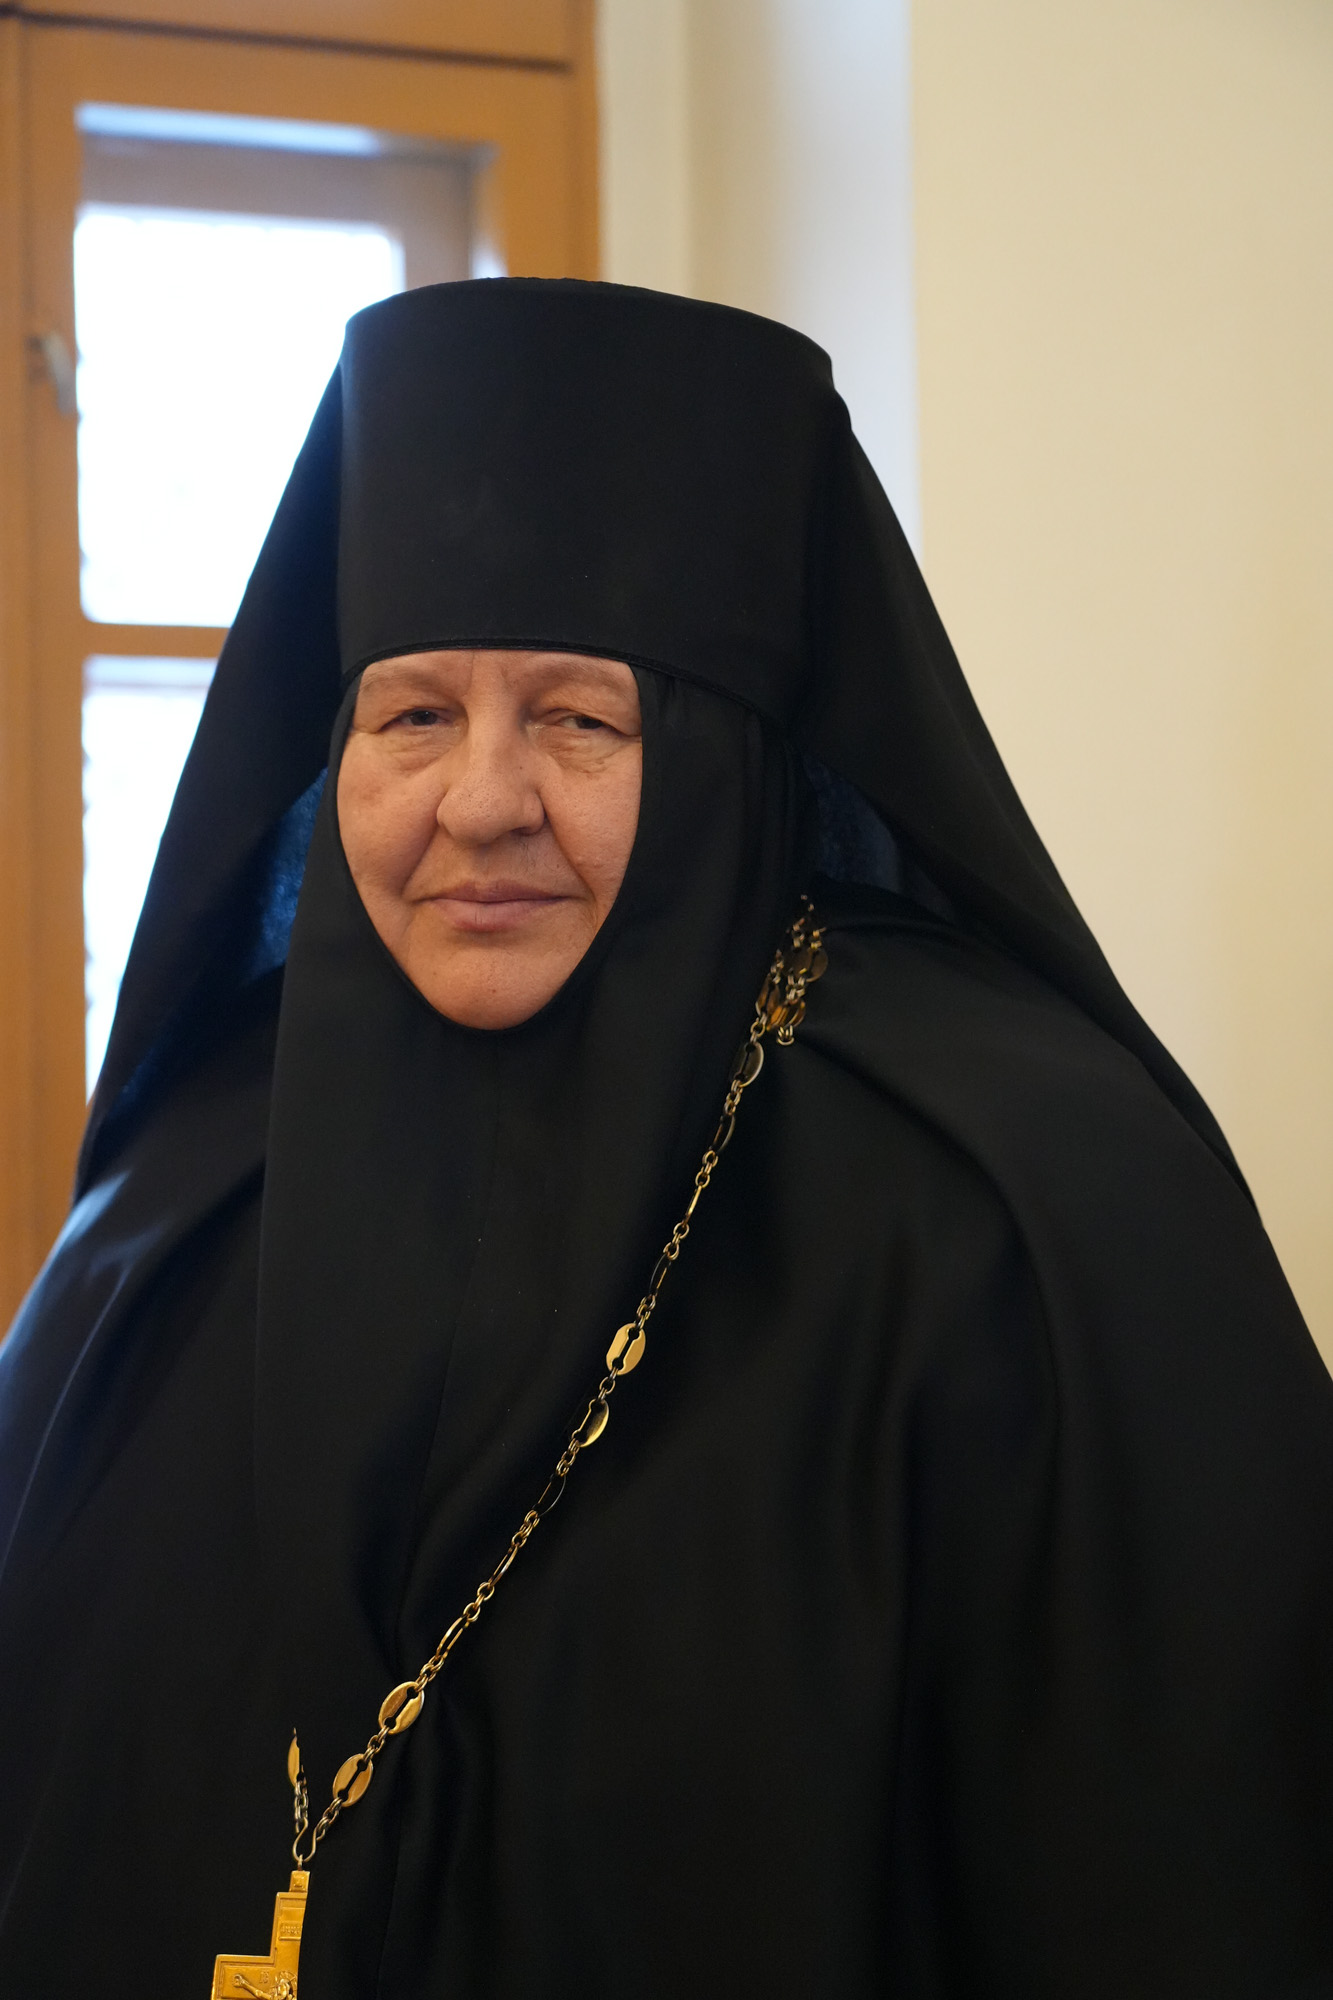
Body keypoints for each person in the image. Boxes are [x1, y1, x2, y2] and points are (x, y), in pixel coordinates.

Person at [0, 278, 1330, 2000]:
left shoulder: (1024, 1209)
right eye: (412, 716)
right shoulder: (178, 1193)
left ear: (727, 761)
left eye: (580, 719)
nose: (483, 800)